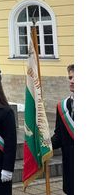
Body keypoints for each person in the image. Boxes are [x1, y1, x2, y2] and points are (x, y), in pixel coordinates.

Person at [51, 64, 74, 195]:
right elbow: (59, 137)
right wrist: (44, 144)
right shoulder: (63, 106)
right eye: (70, 77)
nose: (72, 81)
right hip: (71, 168)